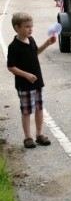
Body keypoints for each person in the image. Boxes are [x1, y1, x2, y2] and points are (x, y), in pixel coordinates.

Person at [7, 12, 57, 149]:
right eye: (27, 27)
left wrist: (47, 43)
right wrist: (26, 75)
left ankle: (39, 135)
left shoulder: (31, 40)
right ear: (17, 28)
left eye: (31, 26)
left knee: (39, 109)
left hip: (37, 82)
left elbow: (35, 52)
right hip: (24, 84)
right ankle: (28, 138)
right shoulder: (14, 46)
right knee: (27, 111)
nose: (30, 29)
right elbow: (11, 67)